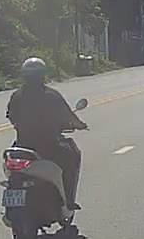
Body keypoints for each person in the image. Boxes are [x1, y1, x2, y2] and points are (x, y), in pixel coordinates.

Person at [6, 57, 87, 210]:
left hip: (23, 146)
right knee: (72, 156)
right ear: (43, 75)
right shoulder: (51, 95)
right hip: (49, 146)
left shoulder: (17, 96)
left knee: (11, 160)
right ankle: (68, 200)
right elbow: (68, 116)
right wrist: (80, 125)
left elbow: (11, 117)